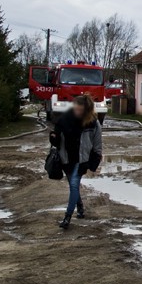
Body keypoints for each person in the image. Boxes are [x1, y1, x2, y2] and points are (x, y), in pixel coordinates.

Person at [49, 95, 103, 229]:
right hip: (65, 158)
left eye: (80, 110)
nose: (77, 112)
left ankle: (67, 217)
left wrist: (94, 161)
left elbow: (97, 145)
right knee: (73, 185)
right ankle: (80, 207)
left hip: (81, 160)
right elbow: (56, 140)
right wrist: (53, 137)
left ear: (87, 110)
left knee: (73, 185)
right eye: (76, 109)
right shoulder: (64, 119)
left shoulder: (93, 123)